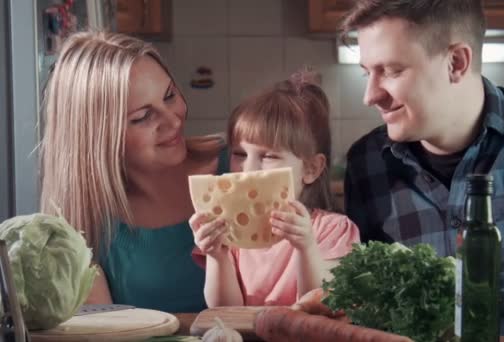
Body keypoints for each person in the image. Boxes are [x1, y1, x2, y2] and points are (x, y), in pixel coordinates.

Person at [341, 1, 504, 341]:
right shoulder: (367, 163)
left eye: (391, 71)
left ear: (456, 63)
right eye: (367, 73)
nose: (370, 95)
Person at [39, 31, 229, 313]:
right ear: (97, 137)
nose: (172, 120)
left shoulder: (240, 164)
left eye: (169, 96)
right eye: (142, 117)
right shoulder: (84, 226)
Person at [189, 71, 360, 307]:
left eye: (268, 156)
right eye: (239, 154)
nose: (247, 169)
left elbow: (322, 308)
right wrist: (217, 255)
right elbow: (224, 311)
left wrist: (305, 248)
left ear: (311, 168)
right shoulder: (230, 232)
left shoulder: (333, 230)